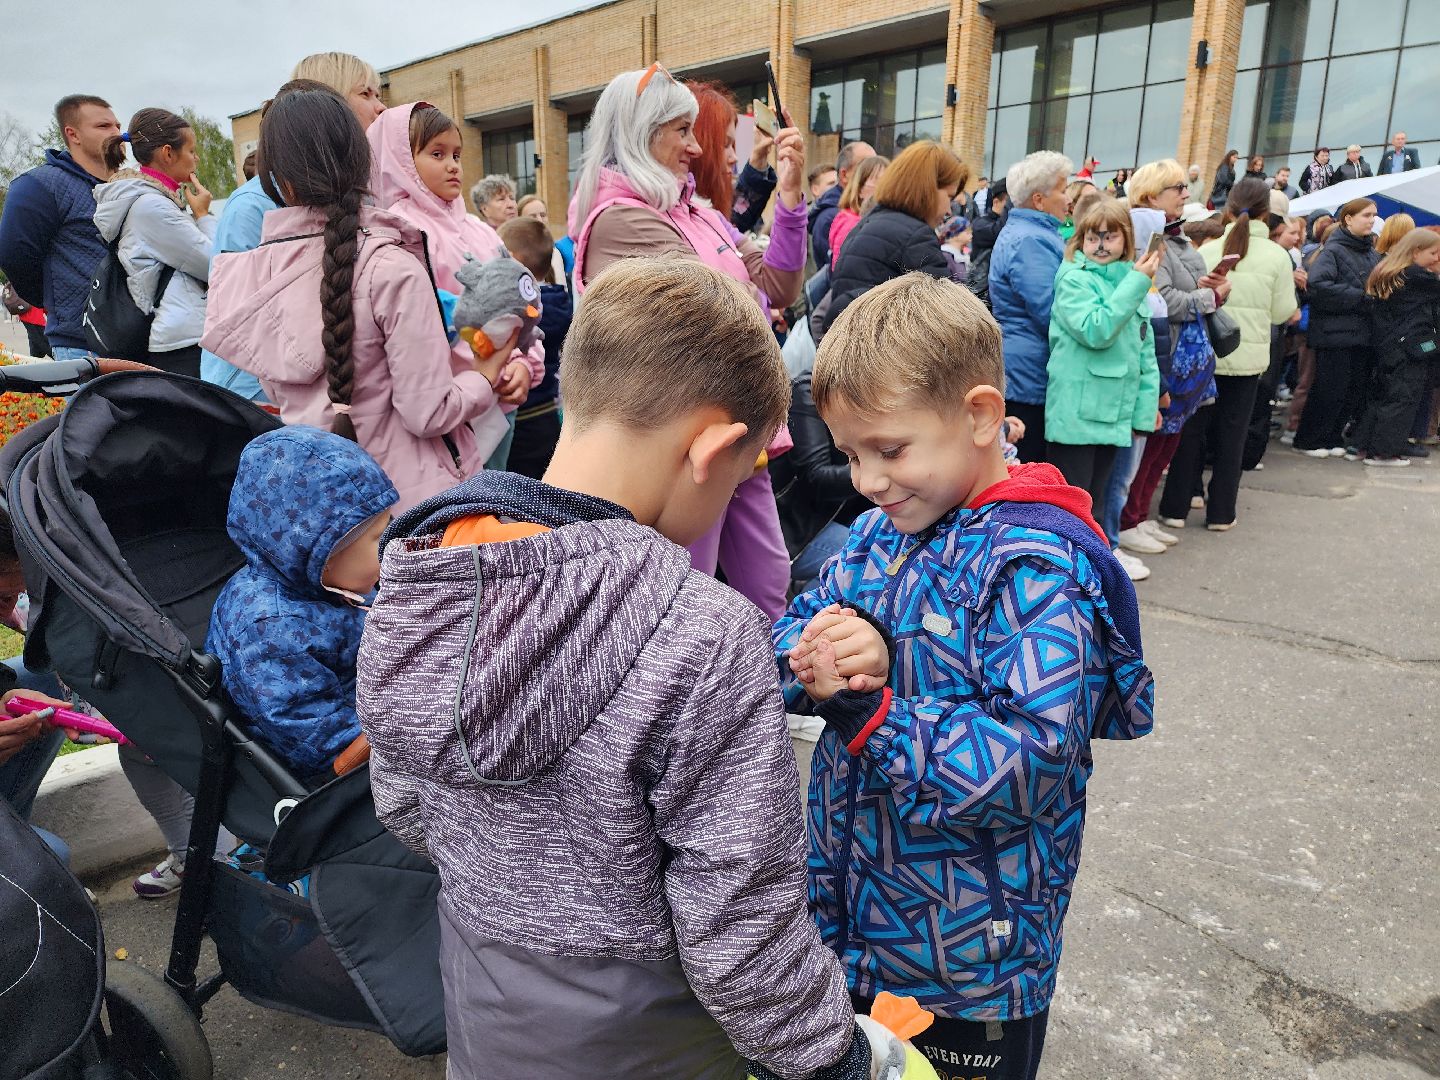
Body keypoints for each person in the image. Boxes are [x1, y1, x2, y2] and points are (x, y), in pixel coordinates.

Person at [357, 257, 875, 1080]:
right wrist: (829, 1055)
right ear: (712, 447)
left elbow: (403, 802)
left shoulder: (423, 577)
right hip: (652, 1042)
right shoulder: (702, 634)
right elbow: (739, 923)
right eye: (744, 480)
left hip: (489, 1012)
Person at [777, 272, 1154, 1080]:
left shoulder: (1034, 568)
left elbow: (1031, 760)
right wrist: (827, 648)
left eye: (889, 449)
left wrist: (873, 714)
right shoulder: (881, 534)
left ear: (980, 416)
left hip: (974, 958)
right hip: (856, 918)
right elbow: (801, 622)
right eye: (849, 456)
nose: (869, 480)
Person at [567, 64, 809, 620]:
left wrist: (791, 199)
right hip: (678, 444)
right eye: (681, 130)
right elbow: (720, 319)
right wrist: (751, 298)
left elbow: (778, 285)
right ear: (639, 131)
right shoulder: (621, 221)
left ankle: (761, 697)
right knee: (684, 594)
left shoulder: (695, 213)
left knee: (769, 584)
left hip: (736, 430)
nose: (697, 148)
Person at [201, 84, 498, 512]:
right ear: (364, 160)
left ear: (276, 179)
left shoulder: (252, 277)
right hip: (416, 509)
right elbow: (428, 413)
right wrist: (484, 376)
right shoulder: (390, 268)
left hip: (326, 511)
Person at [207, 427, 395, 781]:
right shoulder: (269, 629)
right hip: (344, 767)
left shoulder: (335, 584)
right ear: (319, 554)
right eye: (377, 538)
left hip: (380, 707)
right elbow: (313, 737)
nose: (392, 545)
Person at [367, 102, 544, 469]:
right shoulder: (399, 232)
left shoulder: (480, 231)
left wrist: (525, 362)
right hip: (453, 411)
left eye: (457, 154)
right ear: (398, 159)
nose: (453, 165)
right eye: (436, 153)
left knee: (495, 502)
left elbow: (518, 301)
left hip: (501, 400)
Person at [201, 53, 387, 400]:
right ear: (327, 104)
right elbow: (243, 327)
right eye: (366, 94)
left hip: (331, 395)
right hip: (261, 399)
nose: (380, 108)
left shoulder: (362, 196)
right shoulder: (251, 207)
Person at [1159, 178, 1296, 530]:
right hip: (1247, 360)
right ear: (1269, 212)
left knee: (1192, 433)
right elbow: (1283, 312)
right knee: (1232, 437)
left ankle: (1176, 507)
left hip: (1206, 354)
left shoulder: (1206, 251)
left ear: (1229, 208)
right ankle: (1221, 513)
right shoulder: (1278, 257)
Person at [1121, 160, 1228, 554]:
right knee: (1150, 443)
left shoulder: (1176, 237)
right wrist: (1208, 296)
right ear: (1152, 195)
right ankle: (1128, 519)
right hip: (1165, 356)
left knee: (1166, 445)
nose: (1186, 194)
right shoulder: (1146, 238)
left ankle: (1139, 516)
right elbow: (1159, 300)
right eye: (1177, 188)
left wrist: (1212, 287)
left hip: (1184, 355)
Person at [1045, 199, 1161, 511]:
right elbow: (1096, 329)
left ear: (1126, 240)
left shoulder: (1128, 280)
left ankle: (1097, 558)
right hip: (1077, 417)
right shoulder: (1074, 279)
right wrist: (1137, 282)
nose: (1099, 245)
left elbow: (1143, 355)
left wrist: (1144, 413)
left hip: (1112, 415)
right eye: (1092, 237)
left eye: (1109, 237)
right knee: (1072, 512)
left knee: (1094, 507)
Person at [91, 108, 217, 375]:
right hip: (179, 344)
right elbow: (216, 264)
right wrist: (204, 215)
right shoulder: (153, 207)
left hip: (173, 335)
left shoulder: (155, 200)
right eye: (191, 151)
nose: (196, 159)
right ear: (168, 153)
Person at [0, 94, 120, 359]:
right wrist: (54, 301)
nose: (116, 133)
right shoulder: (40, 186)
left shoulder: (123, 187)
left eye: (117, 126)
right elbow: (13, 255)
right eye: (103, 126)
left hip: (136, 340)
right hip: (82, 344)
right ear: (73, 134)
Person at [816, 141, 965, 335]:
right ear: (927, 189)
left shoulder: (868, 224)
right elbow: (941, 327)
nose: (948, 210)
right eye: (949, 196)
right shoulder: (915, 237)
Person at [989, 150, 1073, 460]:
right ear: (1039, 199)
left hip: (1027, 366)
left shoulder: (1033, 234)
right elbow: (1051, 311)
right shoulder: (1030, 241)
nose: (1068, 198)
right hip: (1029, 373)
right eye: (1063, 190)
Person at [1293, 198, 1381, 458]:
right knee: (1329, 389)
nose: (1371, 220)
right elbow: (1319, 286)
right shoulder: (1333, 250)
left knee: (1352, 390)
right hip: (1334, 333)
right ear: (1348, 219)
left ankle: (1332, 437)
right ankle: (1309, 439)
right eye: (1366, 215)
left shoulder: (1370, 252)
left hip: (1361, 333)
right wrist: (1362, 297)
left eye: (1374, 215)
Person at [1352, 230, 1440, 466]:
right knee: (1401, 398)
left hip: (1388, 346)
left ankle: (1364, 445)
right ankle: (1384, 452)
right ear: (1416, 252)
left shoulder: (1391, 272)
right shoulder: (1418, 278)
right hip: (1409, 348)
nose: (1436, 258)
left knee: (1382, 396)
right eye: (1433, 253)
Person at [498, 215, 571, 479]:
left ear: (513, 259)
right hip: (550, 411)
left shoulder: (523, 308)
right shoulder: (561, 301)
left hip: (524, 414)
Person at [810, 140, 876, 268]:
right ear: (844, 175)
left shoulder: (862, 209)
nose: (873, 174)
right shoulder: (831, 217)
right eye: (865, 166)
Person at [825, 154, 888, 267]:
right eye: (877, 182)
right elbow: (843, 268)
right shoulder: (851, 224)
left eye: (887, 183)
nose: (884, 190)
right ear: (860, 189)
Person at [965, 176, 1006, 303]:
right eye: (1009, 204)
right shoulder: (980, 224)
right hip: (982, 293)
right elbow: (998, 233)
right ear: (996, 202)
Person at [516, 194, 568, 283]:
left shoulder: (555, 253)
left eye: (543, 215)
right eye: (533, 216)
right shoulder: (514, 253)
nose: (540, 220)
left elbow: (562, 289)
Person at [2, 283, 50, 357]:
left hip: (27, 313)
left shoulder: (19, 279)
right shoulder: (30, 279)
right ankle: (60, 361)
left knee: (35, 343)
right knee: (44, 343)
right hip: (34, 315)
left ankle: (35, 362)